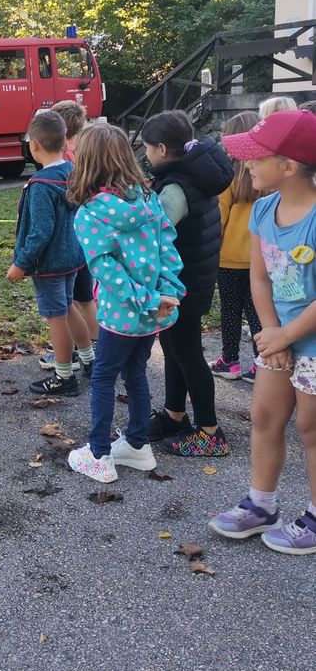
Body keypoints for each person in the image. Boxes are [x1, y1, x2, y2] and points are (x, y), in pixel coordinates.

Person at [209, 109, 316, 554]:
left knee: (311, 427)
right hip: (279, 338)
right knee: (265, 417)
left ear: (288, 166)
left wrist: (286, 336)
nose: (246, 165)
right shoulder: (265, 209)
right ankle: (261, 504)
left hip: (308, 341)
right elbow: (259, 278)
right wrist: (271, 332)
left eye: (255, 157)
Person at [65, 124, 185, 482]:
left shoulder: (89, 214)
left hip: (123, 316)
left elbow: (107, 270)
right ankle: (136, 444)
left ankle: (99, 452)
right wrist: (167, 293)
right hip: (154, 314)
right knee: (136, 372)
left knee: (103, 376)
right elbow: (169, 250)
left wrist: (149, 299)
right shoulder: (149, 201)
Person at [141, 110, 234, 456]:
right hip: (191, 276)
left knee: (188, 354)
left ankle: (210, 431)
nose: (147, 155)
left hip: (182, 284)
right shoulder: (194, 173)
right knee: (174, 349)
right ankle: (174, 414)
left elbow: (153, 232)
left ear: (163, 149)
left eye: (148, 148)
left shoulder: (177, 188)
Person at [6, 110, 94, 397]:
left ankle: (64, 376)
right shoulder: (71, 173)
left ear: (34, 145)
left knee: (56, 316)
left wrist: (21, 263)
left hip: (50, 264)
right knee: (68, 307)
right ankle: (92, 361)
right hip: (72, 258)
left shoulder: (41, 185)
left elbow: (40, 232)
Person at [39, 101, 100, 373]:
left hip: (70, 241)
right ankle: (95, 349)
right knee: (84, 298)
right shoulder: (87, 150)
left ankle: (73, 354)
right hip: (85, 238)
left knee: (69, 304)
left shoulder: (61, 162)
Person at [210, 112, 264, 383]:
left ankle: (229, 360)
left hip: (229, 256)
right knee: (258, 311)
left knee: (230, 310)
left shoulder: (228, 175)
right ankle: (260, 362)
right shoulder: (267, 173)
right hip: (261, 256)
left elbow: (219, 216)